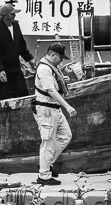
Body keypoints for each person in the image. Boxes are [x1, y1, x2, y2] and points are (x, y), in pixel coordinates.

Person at [32, 43, 77, 184]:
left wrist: (63, 81)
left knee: (65, 136)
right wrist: (67, 106)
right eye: (60, 58)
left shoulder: (53, 68)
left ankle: (46, 163)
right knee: (48, 142)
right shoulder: (44, 69)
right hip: (47, 110)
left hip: (54, 109)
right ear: (53, 55)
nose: (62, 61)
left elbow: (54, 85)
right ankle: (43, 175)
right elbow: (50, 90)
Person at [0, 1, 36, 100]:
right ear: (4, 15)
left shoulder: (15, 26)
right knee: (4, 96)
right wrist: (0, 70)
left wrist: (30, 58)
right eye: (12, 13)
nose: (14, 15)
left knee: (22, 92)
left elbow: (21, 45)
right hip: (3, 68)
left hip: (16, 67)